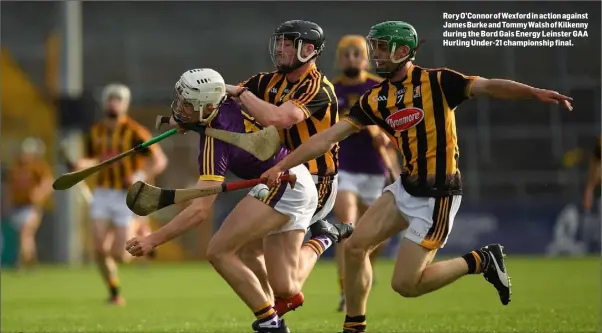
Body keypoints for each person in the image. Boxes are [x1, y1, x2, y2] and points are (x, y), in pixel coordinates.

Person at [261, 21, 574, 333]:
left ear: (403, 50)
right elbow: (327, 138)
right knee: (355, 247)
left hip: (438, 195)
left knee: (406, 285)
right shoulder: (375, 97)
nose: (376, 56)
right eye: (375, 48)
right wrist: (283, 165)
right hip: (405, 186)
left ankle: (480, 260)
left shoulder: (438, 81)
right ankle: (354, 325)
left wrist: (533, 92)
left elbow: (490, 86)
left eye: (382, 48)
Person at [125, 68, 353, 333]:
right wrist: (191, 121)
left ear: (207, 105)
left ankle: (270, 323)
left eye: (187, 104)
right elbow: (218, 108)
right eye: (180, 100)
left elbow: (199, 210)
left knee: (219, 251)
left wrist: (153, 239)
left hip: (284, 184)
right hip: (294, 182)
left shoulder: (214, 138)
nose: (179, 107)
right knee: (286, 288)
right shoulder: (231, 105)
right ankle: (324, 237)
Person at [222, 19, 341, 319]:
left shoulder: (317, 87)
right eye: (280, 42)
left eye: (289, 43)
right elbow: (226, 96)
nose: (280, 48)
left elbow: (280, 118)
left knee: (285, 283)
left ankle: (323, 238)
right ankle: (273, 309)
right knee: (249, 252)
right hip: (280, 177)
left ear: (309, 50)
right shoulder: (268, 81)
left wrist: (240, 94)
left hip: (315, 181)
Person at [77, 83, 168, 305]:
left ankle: (139, 226)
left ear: (125, 104)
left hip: (126, 196)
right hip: (102, 193)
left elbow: (159, 161)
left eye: (118, 99)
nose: (113, 102)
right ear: (104, 102)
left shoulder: (135, 132)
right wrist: (79, 164)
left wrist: (139, 173)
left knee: (122, 255)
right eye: (110, 98)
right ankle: (115, 292)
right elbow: (91, 158)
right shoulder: (96, 131)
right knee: (98, 249)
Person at [331, 34, 402, 312]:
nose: (351, 59)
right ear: (339, 58)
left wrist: (385, 134)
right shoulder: (331, 89)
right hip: (343, 167)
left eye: (356, 54)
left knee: (378, 237)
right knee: (347, 225)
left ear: (365, 57)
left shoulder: (379, 86)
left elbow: (399, 124)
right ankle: (345, 290)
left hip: (376, 170)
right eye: (346, 54)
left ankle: (362, 274)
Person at [5, 137, 53, 270]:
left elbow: (48, 183)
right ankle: (31, 262)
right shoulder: (16, 167)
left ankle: (20, 263)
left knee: (26, 233)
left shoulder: (39, 167)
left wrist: (39, 194)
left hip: (31, 207)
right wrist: (7, 203)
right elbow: (11, 187)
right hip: (17, 206)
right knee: (25, 235)